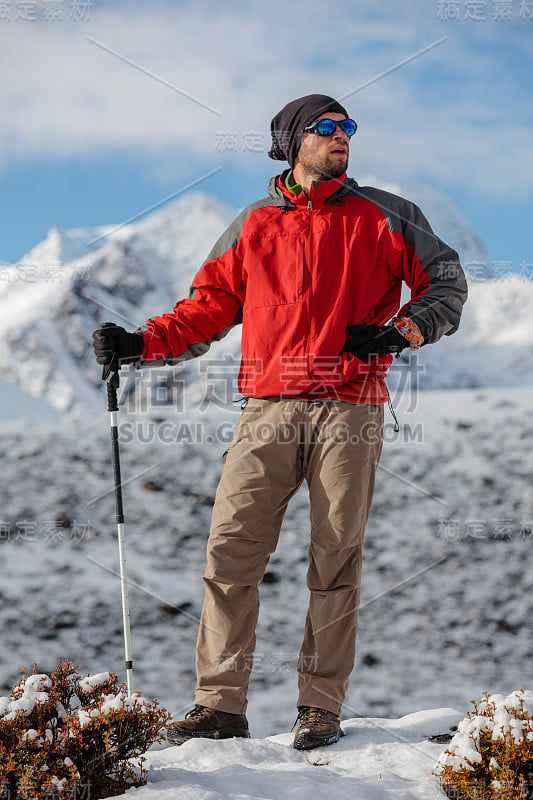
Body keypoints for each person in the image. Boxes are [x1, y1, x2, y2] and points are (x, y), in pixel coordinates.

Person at [92, 93, 468, 751]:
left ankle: (318, 708)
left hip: (350, 407)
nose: (342, 136)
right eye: (326, 128)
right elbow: (204, 311)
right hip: (266, 407)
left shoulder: (386, 215)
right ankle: (218, 705)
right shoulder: (253, 224)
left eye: (348, 127)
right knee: (230, 550)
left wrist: (398, 332)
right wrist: (139, 344)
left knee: (334, 558)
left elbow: (445, 283)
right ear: (293, 141)